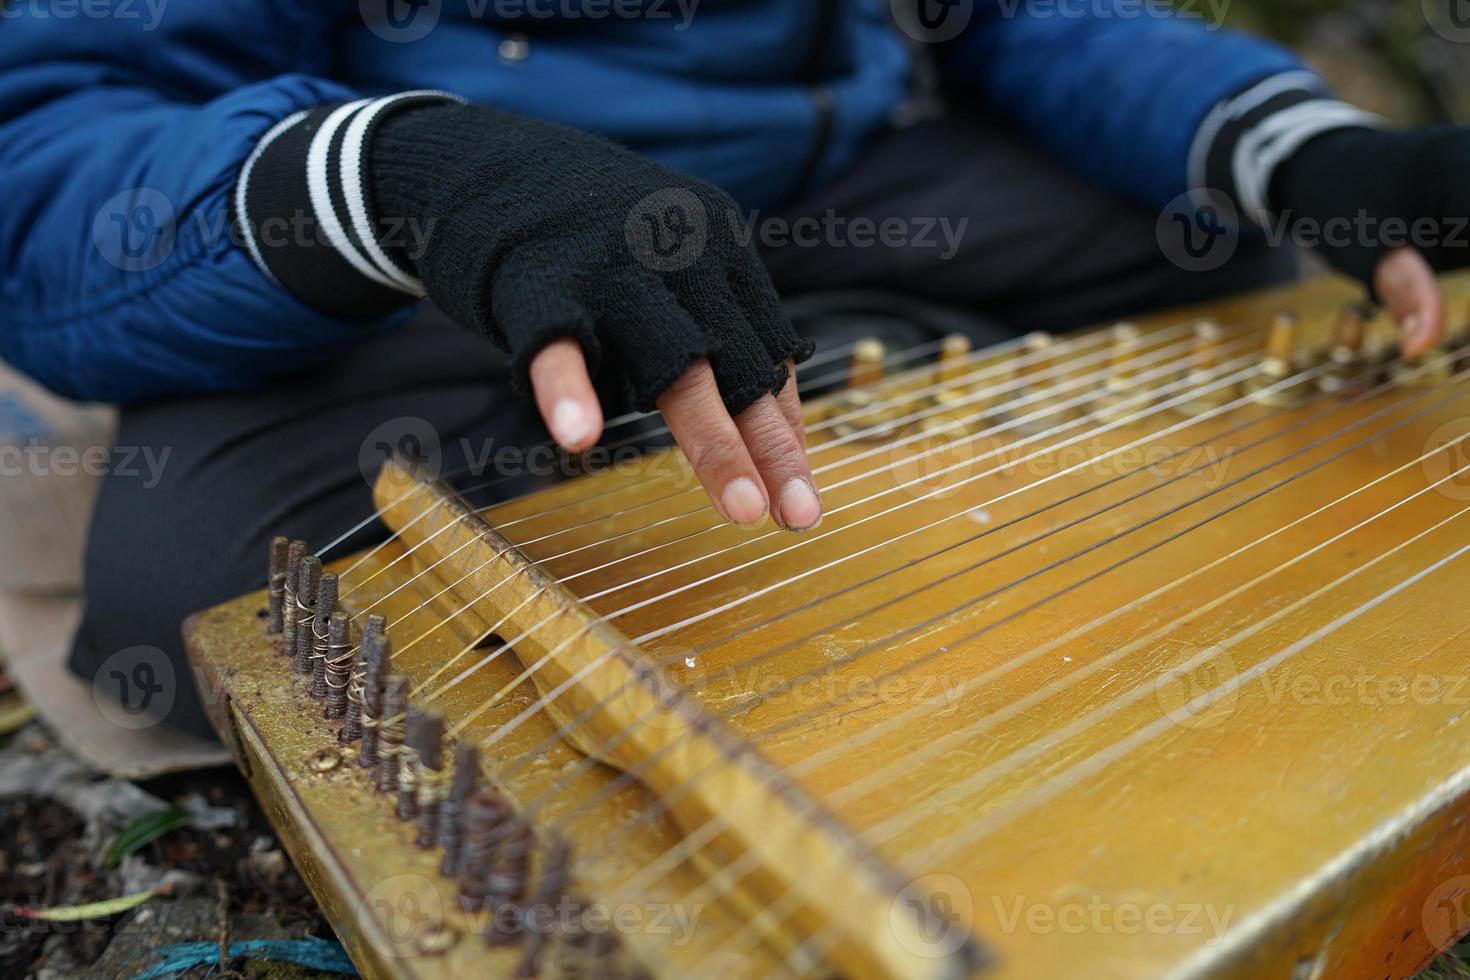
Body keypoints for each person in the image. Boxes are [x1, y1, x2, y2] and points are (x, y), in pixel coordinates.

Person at [1, 1, 1466, 736]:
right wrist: (399, 177)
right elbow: (53, 142)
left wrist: (1299, 142)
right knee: (204, 577)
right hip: (450, 253)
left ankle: (757, 369)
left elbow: (1024, 18)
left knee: (1214, 234)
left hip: (819, 195)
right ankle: (688, 402)